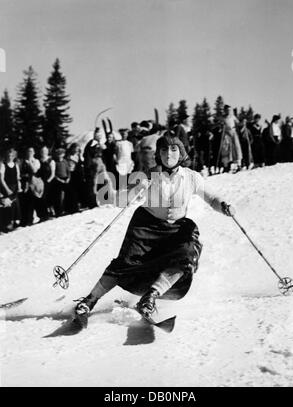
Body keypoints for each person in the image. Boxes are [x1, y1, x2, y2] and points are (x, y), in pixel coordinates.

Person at [73, 131, 235, 324]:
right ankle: (90, 300)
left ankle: (150, 297)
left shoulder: (191, 177)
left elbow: (212, 197)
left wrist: (223, 205)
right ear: (158, 153)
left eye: (174, 149)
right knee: (125, 263)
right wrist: (132, 191)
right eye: (164, 149)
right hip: (146, 227)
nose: (168, 154)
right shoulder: (149, 176)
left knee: (185, 256)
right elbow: (124, 198)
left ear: (181, 153)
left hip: (176, 230)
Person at [0, 148, 21, 231]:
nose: (10, 156)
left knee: (16, 205)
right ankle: (8, 224)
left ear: (14, 156)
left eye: (12, 155)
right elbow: (1, 179)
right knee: (8, 205)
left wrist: (19, 186)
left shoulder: (16, 165)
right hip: (6, 187)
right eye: (9, 155)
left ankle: (15, 223)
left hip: (15, 187)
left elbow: (17, 177)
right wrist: (7, 189)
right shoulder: (3, 165)